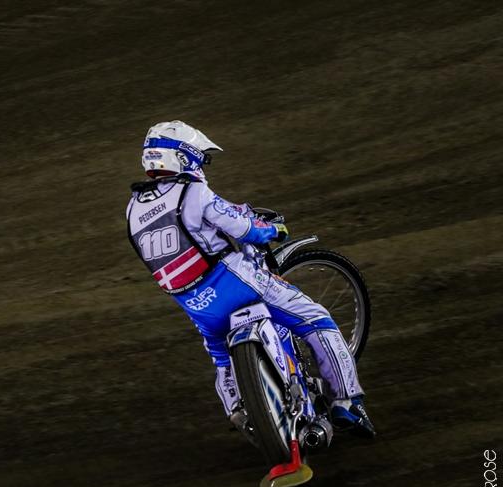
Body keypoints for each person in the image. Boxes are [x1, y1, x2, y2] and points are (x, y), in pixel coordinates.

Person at [126, 120, 375, 438]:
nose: (201, 166)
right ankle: (347, 404)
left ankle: (239, 411)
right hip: (236, 284)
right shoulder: (192, 191)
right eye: (200, 158)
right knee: (316, 319)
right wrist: (273, 230)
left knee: (221, 359)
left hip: (196, 305)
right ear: (183, 157)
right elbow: (244, 228)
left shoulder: (133, 210)